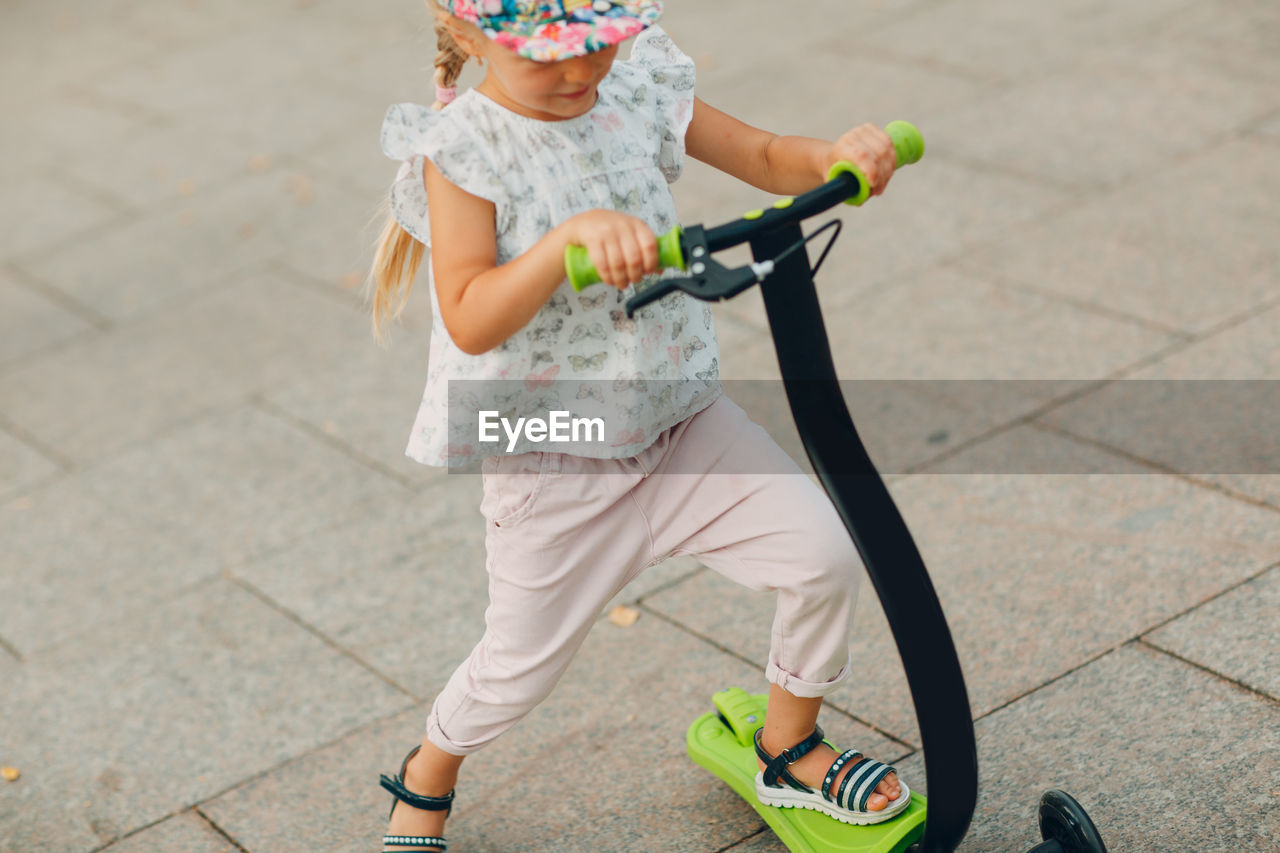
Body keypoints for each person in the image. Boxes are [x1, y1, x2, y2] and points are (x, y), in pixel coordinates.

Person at [367, 2, 906, 850]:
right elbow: (470, 315)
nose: (580, 73)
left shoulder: (639, 83)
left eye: (596, 45)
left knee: (824, 557)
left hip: (679, 418)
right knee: (516, 668)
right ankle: (428, 771)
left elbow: (764, 155)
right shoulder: (465, 149)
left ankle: (788, 741)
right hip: (556, 457)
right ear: (469, 35)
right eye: (549, 56)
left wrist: (834, 158)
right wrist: (562, 245)